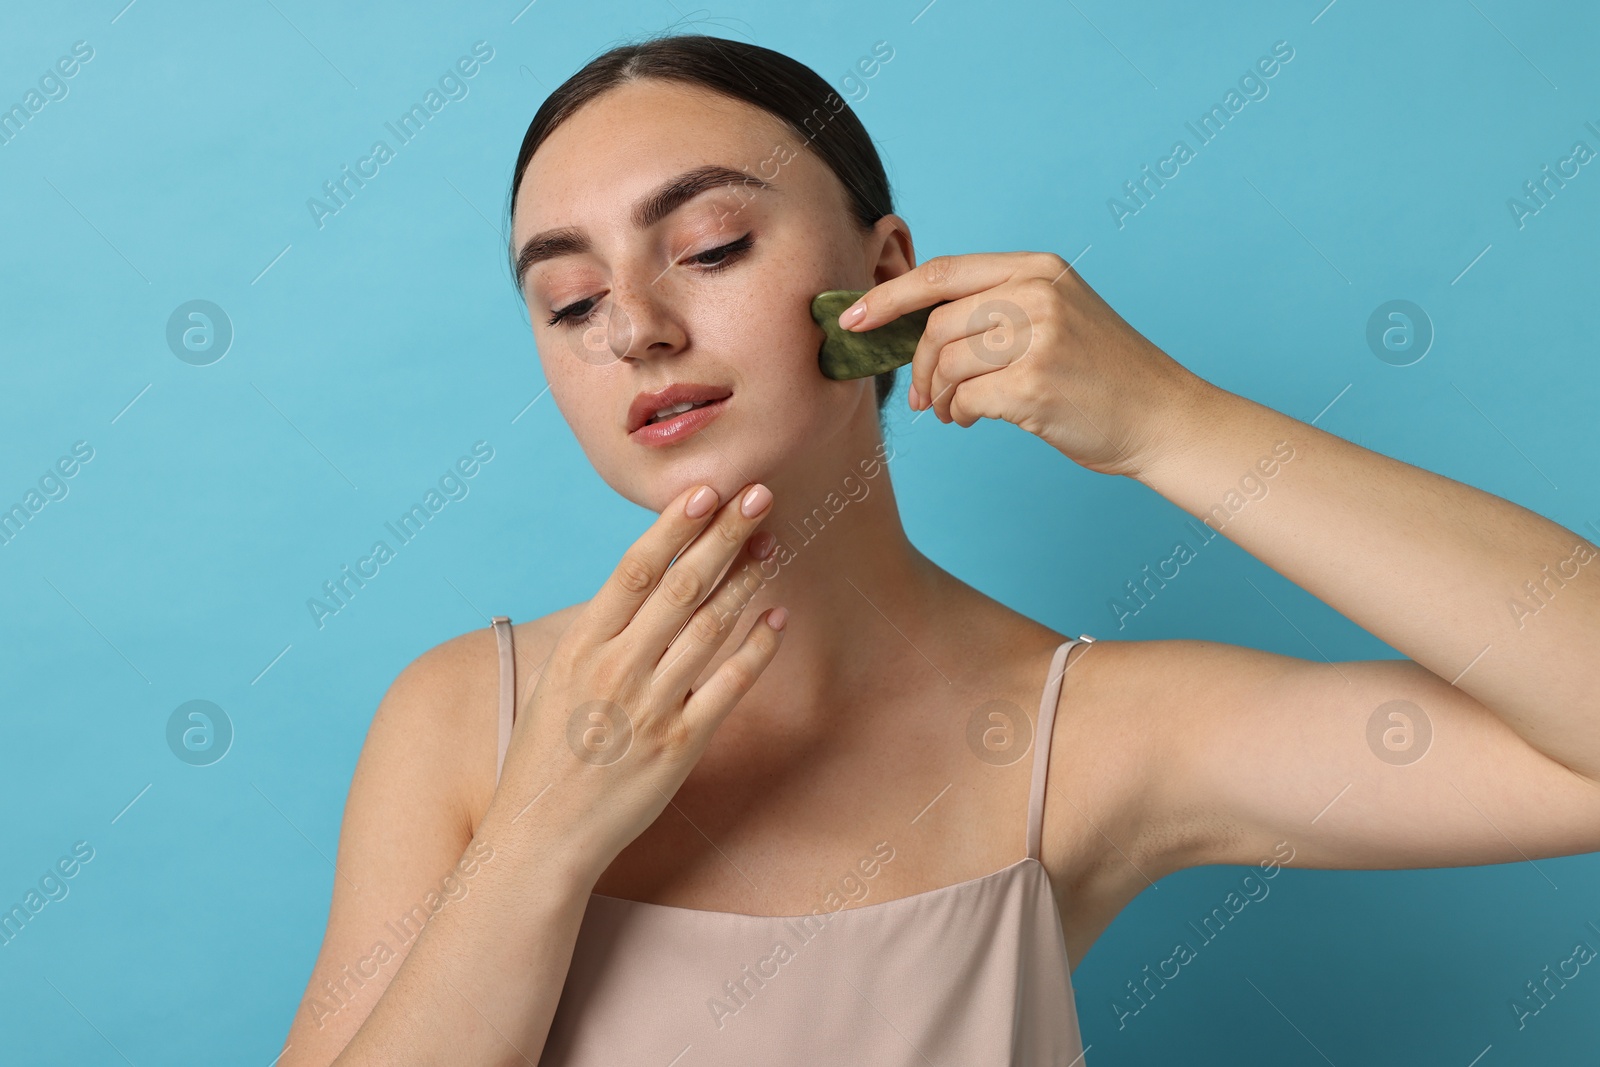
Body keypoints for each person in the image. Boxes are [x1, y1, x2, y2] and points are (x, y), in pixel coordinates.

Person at [279, 32, 1600, 1066]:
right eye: (568, 301)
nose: (633, 326)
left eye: (711, 245)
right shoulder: (465, 721)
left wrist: (1168, 424)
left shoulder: (1081, 741)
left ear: (886, 273)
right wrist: (542, 837)